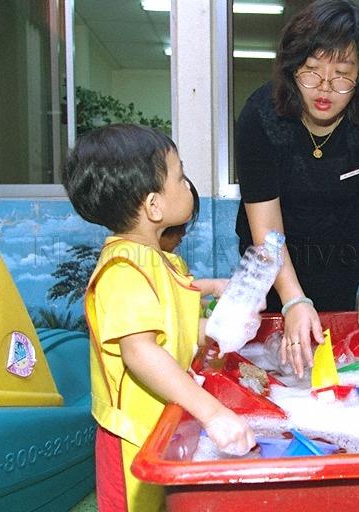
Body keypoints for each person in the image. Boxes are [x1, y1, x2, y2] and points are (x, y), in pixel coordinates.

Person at [64, 124, 255, 511]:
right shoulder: (123, 270)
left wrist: (220, 329)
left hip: (162, 422)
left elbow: (175, 329)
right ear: (154, 206)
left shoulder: (161, 262)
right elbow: (140, 352)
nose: (188, 185)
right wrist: (212, 412)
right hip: (131, 436)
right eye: (180, 176)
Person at [234, 0, 359, 377]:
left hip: (341, 255)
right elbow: (266, 223)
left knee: (332, 358)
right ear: (293, 69)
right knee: (270, 358)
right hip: (270, 255)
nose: (324, 88)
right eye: (310, 72)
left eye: (342, 74)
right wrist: (292, 299)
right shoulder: (262, 117)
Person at [160, 179, 227, 315]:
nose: (183, 233)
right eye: (180, 226)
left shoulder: (172, 260)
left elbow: (185, 302)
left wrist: (211, 307)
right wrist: (213, 286)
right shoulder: (145, 262)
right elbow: (173, 294)